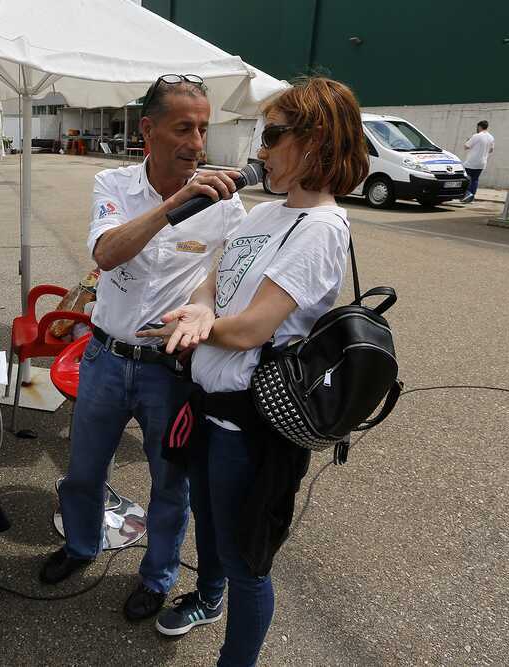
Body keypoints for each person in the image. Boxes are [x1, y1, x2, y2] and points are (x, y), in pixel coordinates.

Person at [136, 76, 369, 665]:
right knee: (210, 524)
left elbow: (251, 329)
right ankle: (206, 597)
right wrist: (199, 310)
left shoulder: (321, 230)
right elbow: (212, 282)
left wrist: (202, 325)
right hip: (207, 407)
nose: (260, 151)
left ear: (316, 142)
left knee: (247, 559)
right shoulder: (263, 214)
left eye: (272, 136)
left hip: (250, 425)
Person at [39, 74, 249, 622]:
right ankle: (81, 545)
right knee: (84, 471)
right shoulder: (113, 183)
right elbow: (107, 254)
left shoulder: (226, 205)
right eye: (183, 128)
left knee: (170, 484)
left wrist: (209, 311)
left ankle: (157, 577)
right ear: (148, 130)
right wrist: (173, 205)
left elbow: (239, 278)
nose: (197, 143)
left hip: (171, 371)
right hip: (106, 359)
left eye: (203, 129)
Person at [461, 120, 494, 203]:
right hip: (482, 163)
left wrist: (468, 140)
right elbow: (491, 150)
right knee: (475, 180)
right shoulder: (491, 137)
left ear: (479, 127)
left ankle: (467, 196)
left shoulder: (476, 136)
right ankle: (472, 197)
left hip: (471, 162)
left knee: (467, 179)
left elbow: (466, 146)